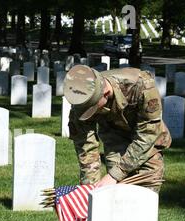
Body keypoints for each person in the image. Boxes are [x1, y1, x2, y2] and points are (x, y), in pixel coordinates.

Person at [63, 64, 172, 192]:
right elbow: (86, 146)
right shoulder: (81, 100)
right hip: (114, 136)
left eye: (93, 109)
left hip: (148, 140)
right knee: (116, 195)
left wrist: (116, 174)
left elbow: (147, 135)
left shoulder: (142, 86)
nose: (89, 113)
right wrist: (90, 189)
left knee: (146, 192)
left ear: (106, 93)